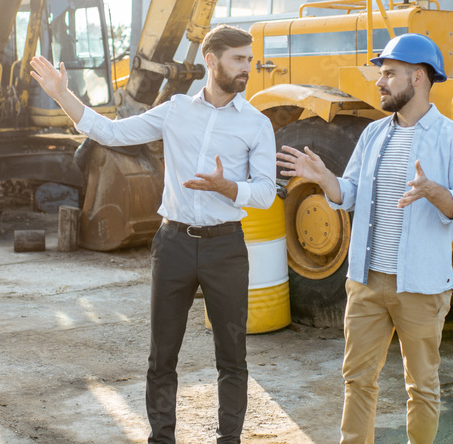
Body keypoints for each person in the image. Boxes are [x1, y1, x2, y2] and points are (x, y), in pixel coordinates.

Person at [29, 24, 276, 444]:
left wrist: (228, 187)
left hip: (226, 248)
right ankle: (161, 439)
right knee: (162, 355)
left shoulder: (256, 124)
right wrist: (60, 95)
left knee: (232, 357)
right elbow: (111, 133)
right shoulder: (177, 110)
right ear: (211, 61)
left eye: (249, 60)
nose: (246, 68)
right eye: (238, 59)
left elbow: (267, 193)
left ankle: (229, 440)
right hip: (174, 244)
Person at [276, 32, 453, 444]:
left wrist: (434, 192)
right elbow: (350, 192)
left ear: (419, 78)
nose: (380, 81)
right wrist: (325, 180)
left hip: (421, 287)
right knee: (357, 380)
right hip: (367, 282)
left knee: (421, 387)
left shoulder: (452, 138)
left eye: (389, 73)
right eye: (381, 73)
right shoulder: (373, 135)